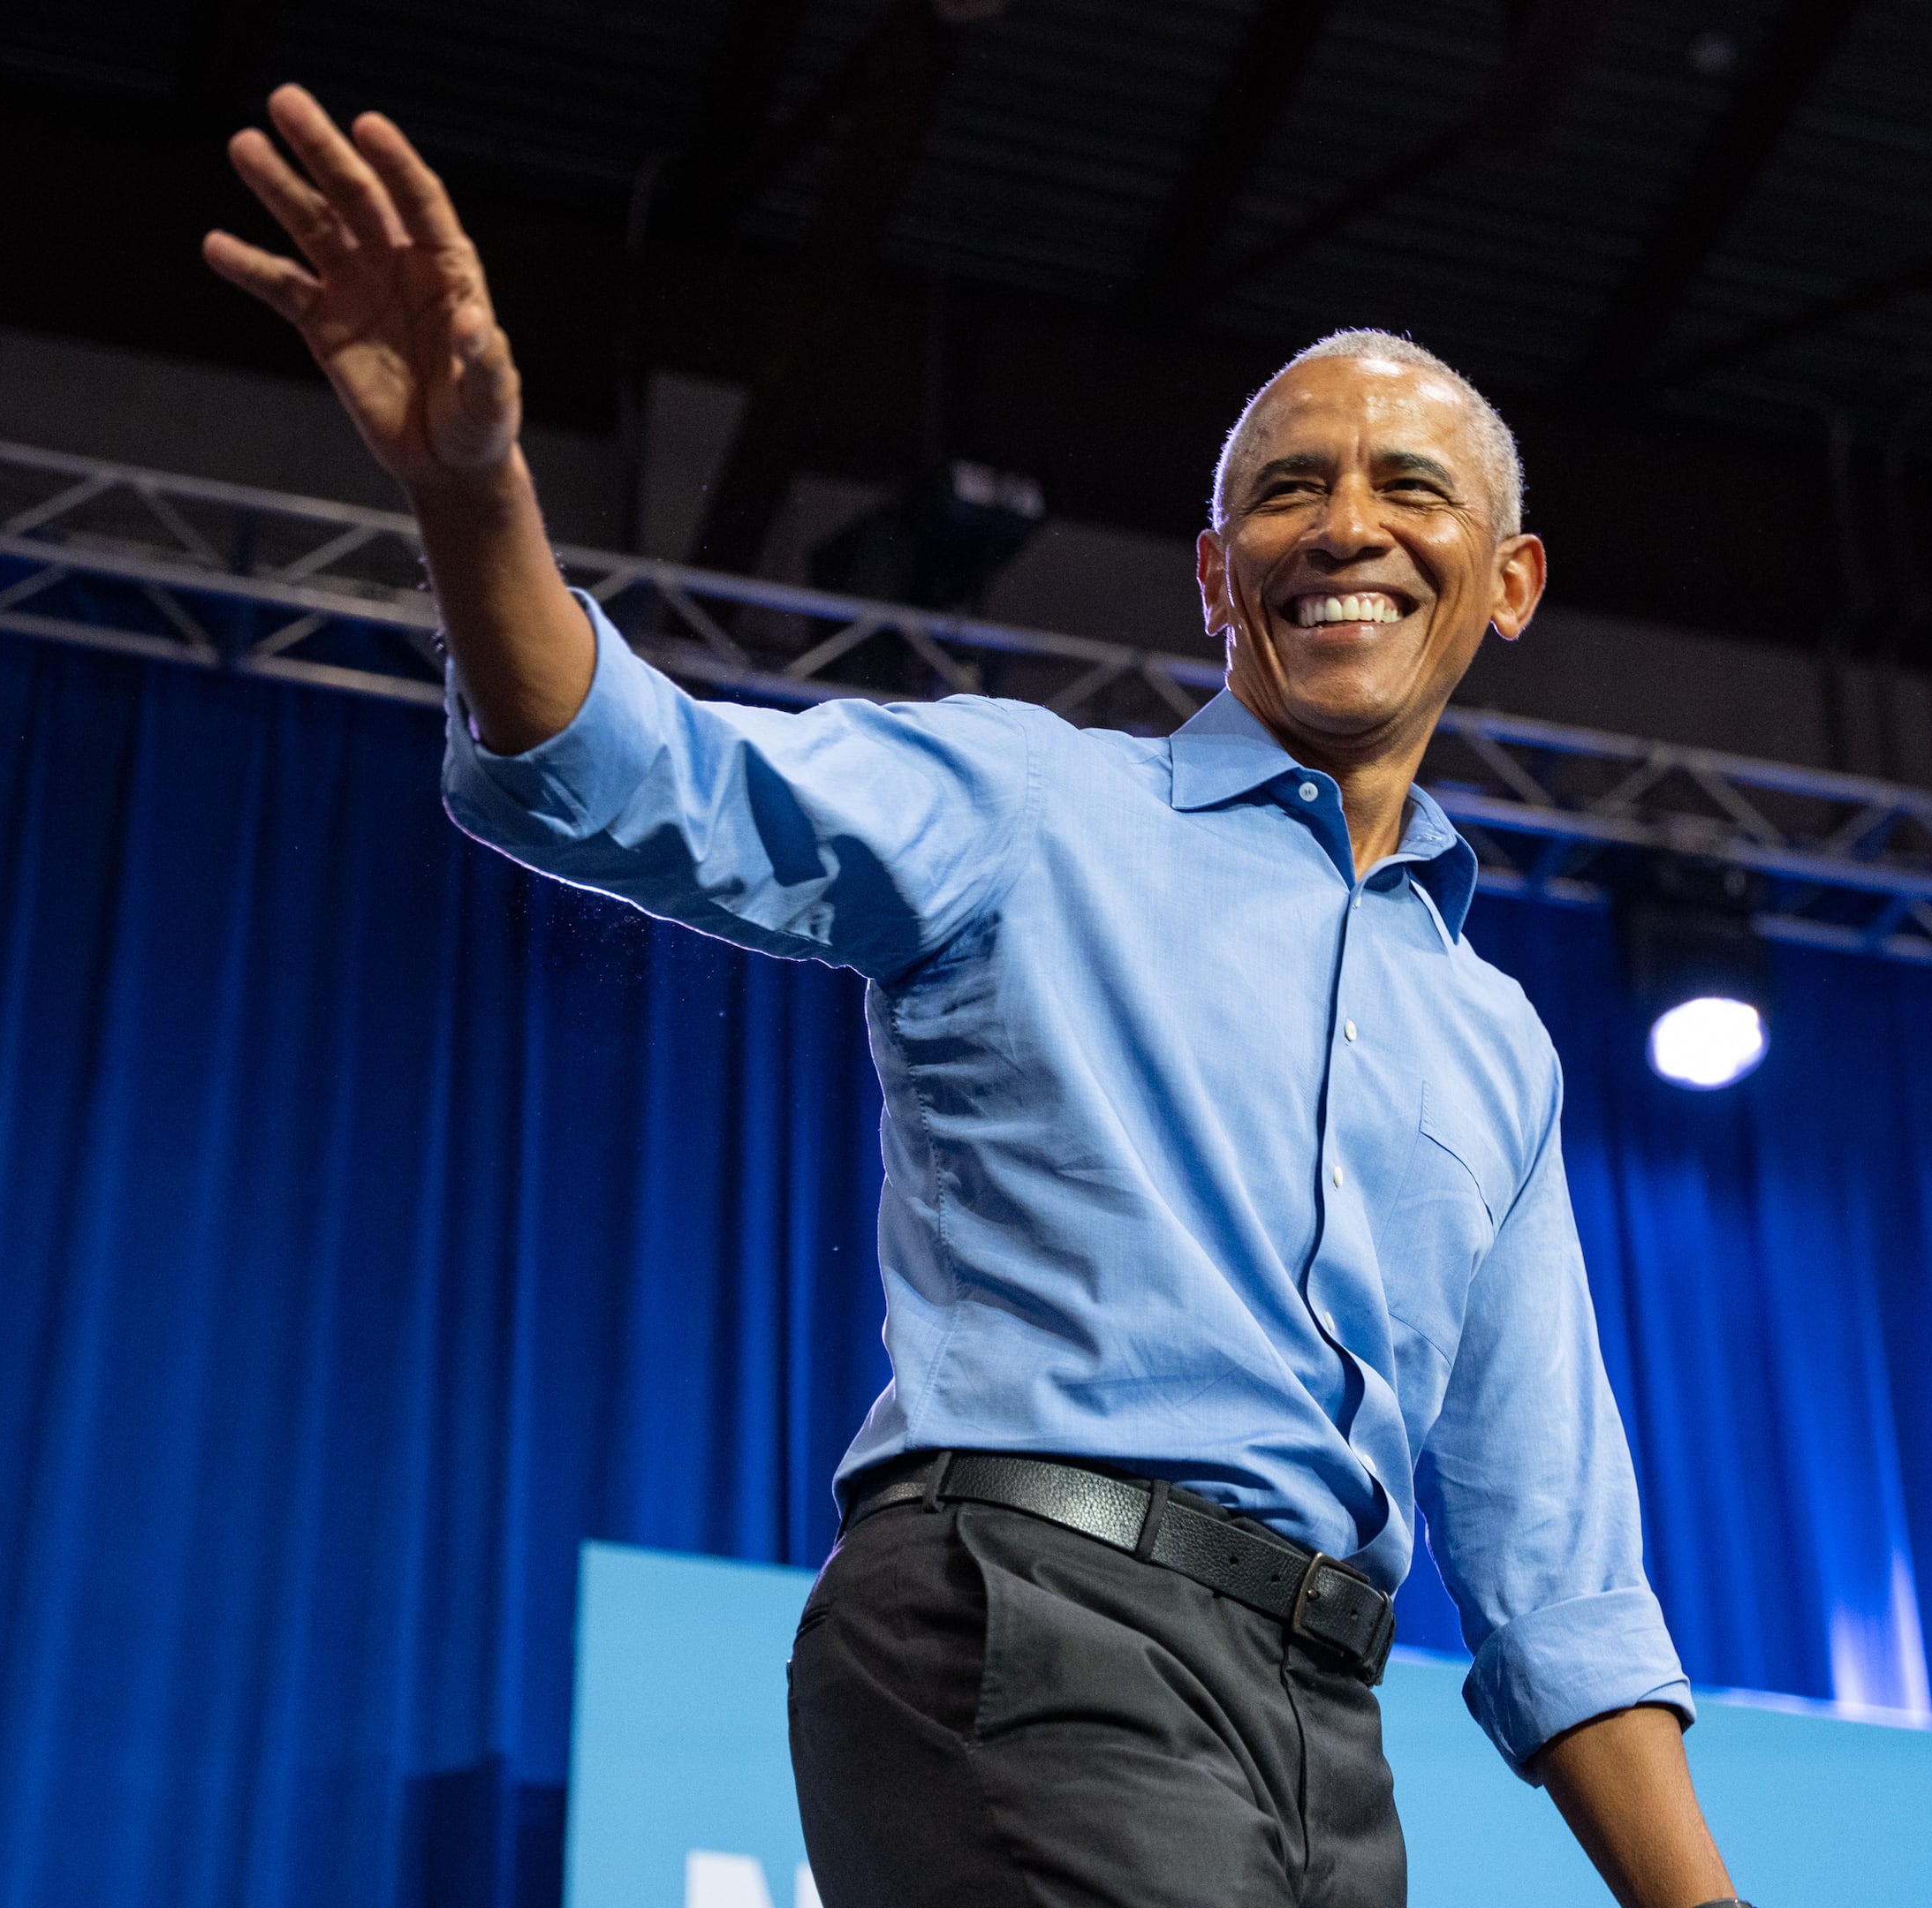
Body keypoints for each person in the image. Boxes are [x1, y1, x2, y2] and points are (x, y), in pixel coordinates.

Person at [203, 84, 1747, 1908]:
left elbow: (1553, 1555)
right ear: (1210, 578)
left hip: (1325, 1734)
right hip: (1036, 1629)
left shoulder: (1496, 1043)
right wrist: (473, 492)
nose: (1345, 527)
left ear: (1509, 584)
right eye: (1284, 492)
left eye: (1410, 490)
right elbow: (631, 777)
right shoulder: (1034, 808)